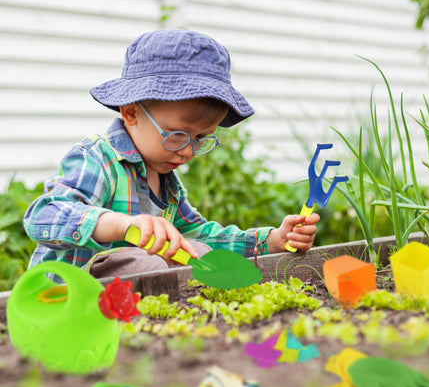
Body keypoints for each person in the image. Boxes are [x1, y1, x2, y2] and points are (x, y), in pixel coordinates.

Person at [24, 29, 320, 282]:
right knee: (147, 265)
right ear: (131, 112)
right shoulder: (97, 161)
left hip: (134, 290)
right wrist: (121, 224)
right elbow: (42, 216)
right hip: (69, 293)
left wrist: (270, 241)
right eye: (177, 135)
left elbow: (201, 236)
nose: (189, 151)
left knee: (198, 253)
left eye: (201, 138)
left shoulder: (166, 179)